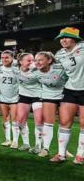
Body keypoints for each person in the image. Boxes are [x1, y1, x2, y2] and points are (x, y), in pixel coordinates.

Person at [52, 27, 84, 163]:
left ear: (75, 38)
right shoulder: (59, 54)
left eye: (66, 37)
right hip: (70, 89)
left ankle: (80, 155)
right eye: (61, 38)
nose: (63, 40)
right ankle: (61, 154)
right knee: (64, 122)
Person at [34, 51, 68, 158]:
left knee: (64, 123)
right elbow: (16, 63)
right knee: (48, 123)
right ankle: (45, 148)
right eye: (36, 60)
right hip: (48, 96)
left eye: (40, 60)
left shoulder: (60, 68)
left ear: (49, 60)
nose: (37, 62)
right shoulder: (34, 69)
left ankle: (63, 150)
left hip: (65, 95)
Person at [15, 53, 42, 154]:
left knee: (38, 121)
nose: (32, 62)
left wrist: (36, 69)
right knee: (20, 120)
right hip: (24, 95)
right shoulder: (15, 68)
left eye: (33, 60)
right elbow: (2, 63)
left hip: (38, 95)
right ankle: (26, 144)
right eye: (29, 60)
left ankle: (38, 145)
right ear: (21, 62)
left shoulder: (37, 69)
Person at [0, 50, 20, 149]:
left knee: (15, 121)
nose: (4, 59)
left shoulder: (17, 67)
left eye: (7, 57)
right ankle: (7, 139)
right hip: (2, 97)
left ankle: (15, 141)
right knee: (5, 120)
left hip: (15, 98)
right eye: (2, 57)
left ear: (12, 58)